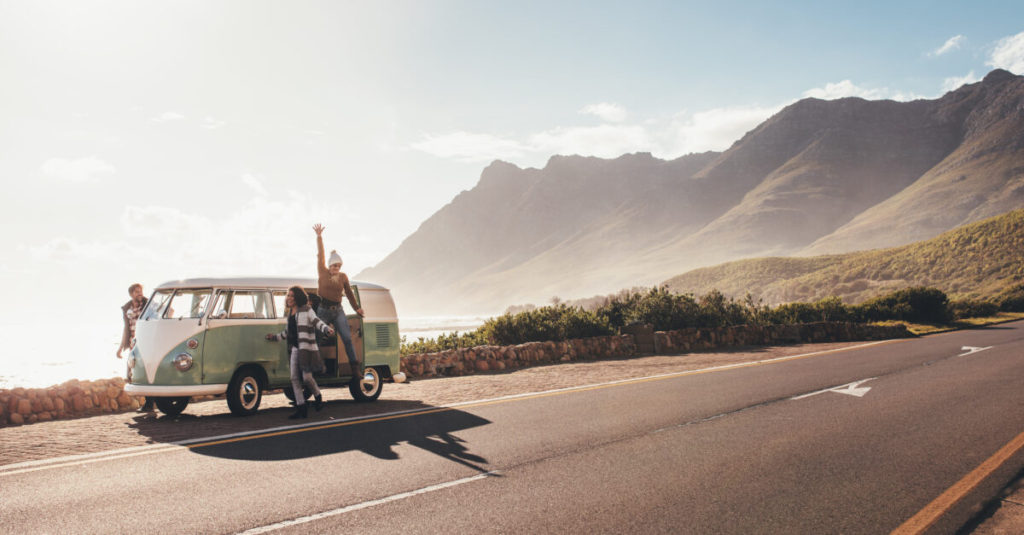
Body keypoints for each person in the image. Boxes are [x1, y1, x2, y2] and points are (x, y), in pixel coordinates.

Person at [265, 286, 335, 419]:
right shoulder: (290, 312)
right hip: (295, 348)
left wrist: (326, 329)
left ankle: (318, 396)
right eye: (288, 296)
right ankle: (301, 407)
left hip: (306, 348)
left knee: (307, 378)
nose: (289, 298)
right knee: (294, 378)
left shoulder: (307, 310)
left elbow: (317, 322)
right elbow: (287, 333)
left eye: (292, 296)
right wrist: (274, 337)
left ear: (297, 297)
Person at [312, 223, 365, 377]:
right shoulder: (322, 271)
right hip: (323, 310)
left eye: (339, 265)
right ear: (329, 265)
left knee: (347, 338)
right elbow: (321, 254)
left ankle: (354, 368)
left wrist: (357, 309)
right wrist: (319, 237)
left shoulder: (342, 276)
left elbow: (348, 292)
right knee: (317, 338)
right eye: (334, 265)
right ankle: (317, 366)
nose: (337, 268)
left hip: (338, 310)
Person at [118, 283, 153, 412]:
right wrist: (121, 346)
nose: (140, 294)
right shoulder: (127, 308)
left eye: (141, 291)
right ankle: (148, 402)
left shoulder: (149, 305)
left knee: (145, 371)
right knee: (133, 373)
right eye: (137, 292)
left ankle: (149, 403)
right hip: (133, 345)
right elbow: (126, 329)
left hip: (146, 343)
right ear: (131, 294)